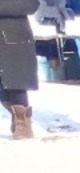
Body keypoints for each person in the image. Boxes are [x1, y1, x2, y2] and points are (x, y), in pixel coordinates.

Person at [0, 0, 39, 139]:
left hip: (13, 36)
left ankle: (22, 122)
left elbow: (31, 4)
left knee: (16, 82)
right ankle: (16, 116)